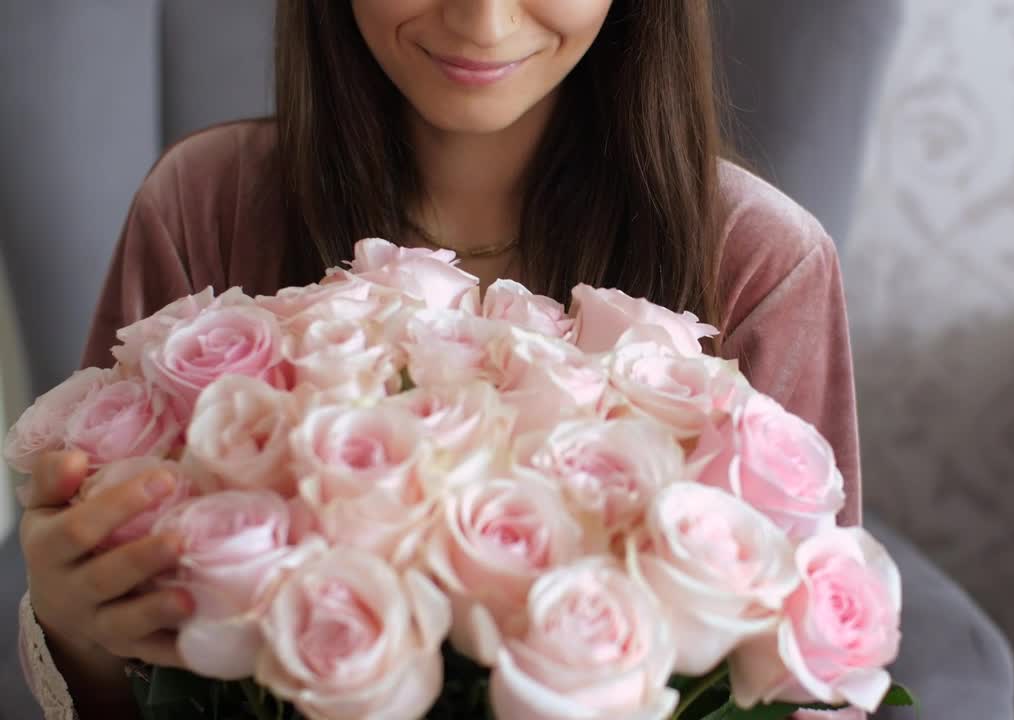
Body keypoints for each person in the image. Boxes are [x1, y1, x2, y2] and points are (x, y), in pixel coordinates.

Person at [14, 1, 862, 717]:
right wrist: (78, 627)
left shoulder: (763, 267)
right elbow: (125, 659)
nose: (482, 21)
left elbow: (816, 688)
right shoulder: (204, 206)